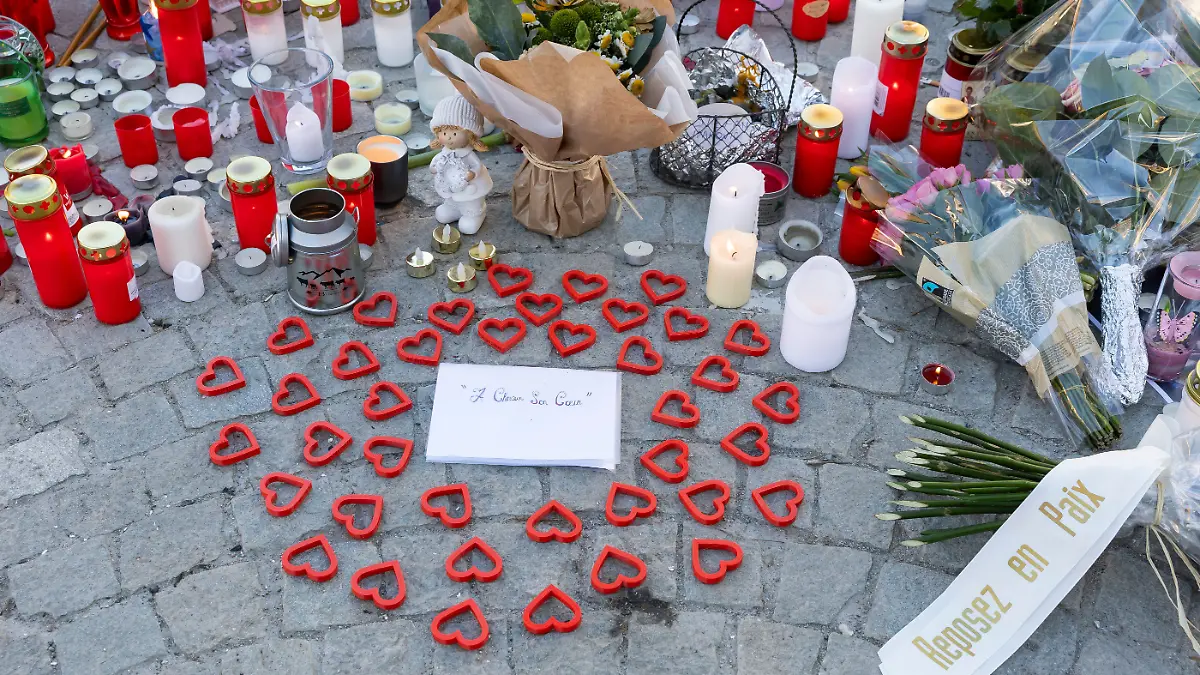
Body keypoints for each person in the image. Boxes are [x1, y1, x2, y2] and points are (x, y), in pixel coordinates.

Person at [429, 94, 493, 234]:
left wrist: (473, 173)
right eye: (444, 133)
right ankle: (453, 208)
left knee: (470, 203)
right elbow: (436, 162)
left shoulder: (468, 155)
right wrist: (434, 168)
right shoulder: (444, 154)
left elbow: (477, 166)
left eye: (455, 133)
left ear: (471, 135)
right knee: (450, 201)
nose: (449, 137)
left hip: (469, 187)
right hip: (450, 186)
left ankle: (474, 214)